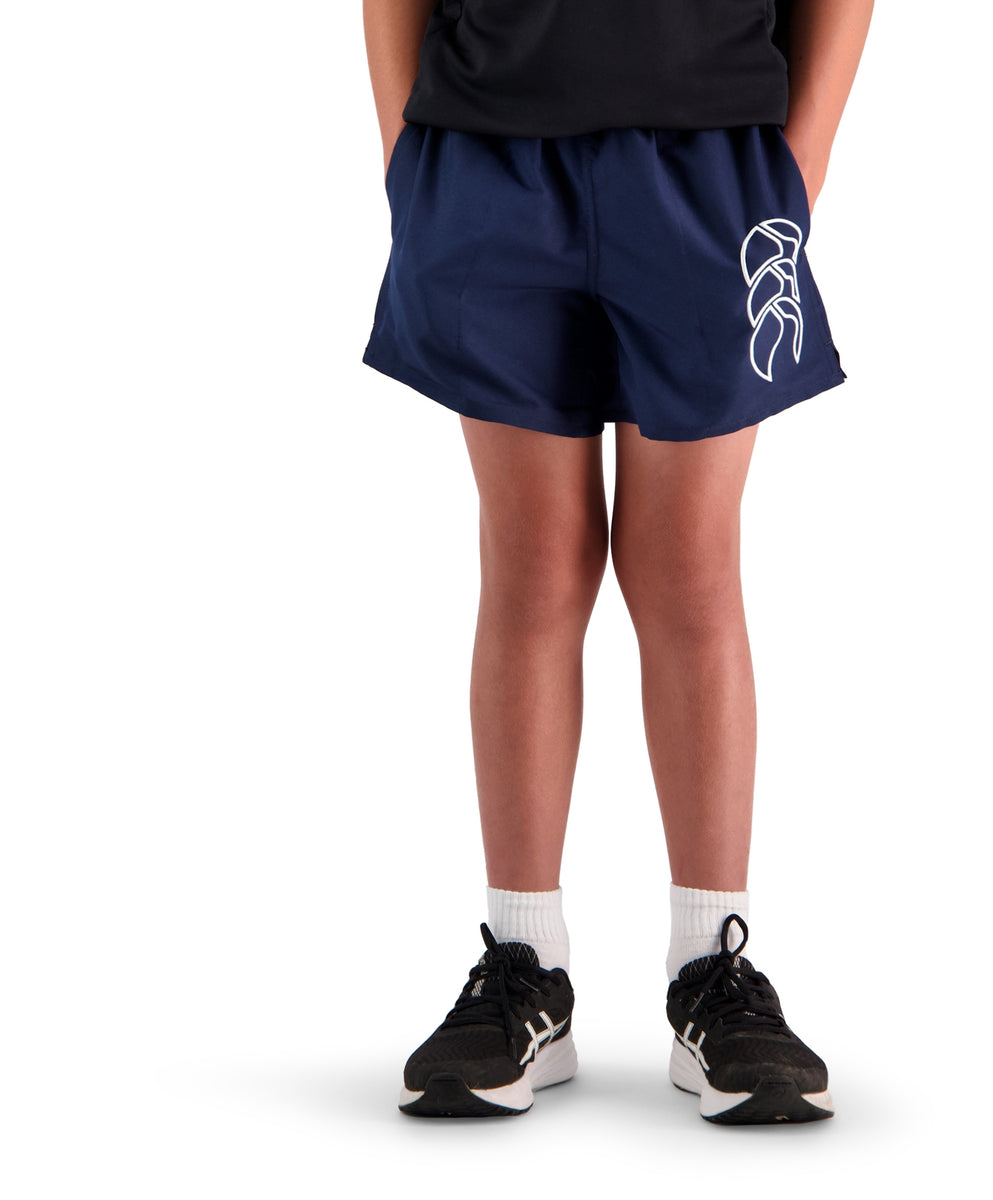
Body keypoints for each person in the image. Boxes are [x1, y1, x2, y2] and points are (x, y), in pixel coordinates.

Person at [362, 0, 873, 1124]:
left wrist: (801, 162)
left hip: (714, 158)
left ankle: (712, 966)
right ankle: (524, 964)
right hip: (488, 148)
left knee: (688, 562)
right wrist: (405, 159)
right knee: (534, 560)